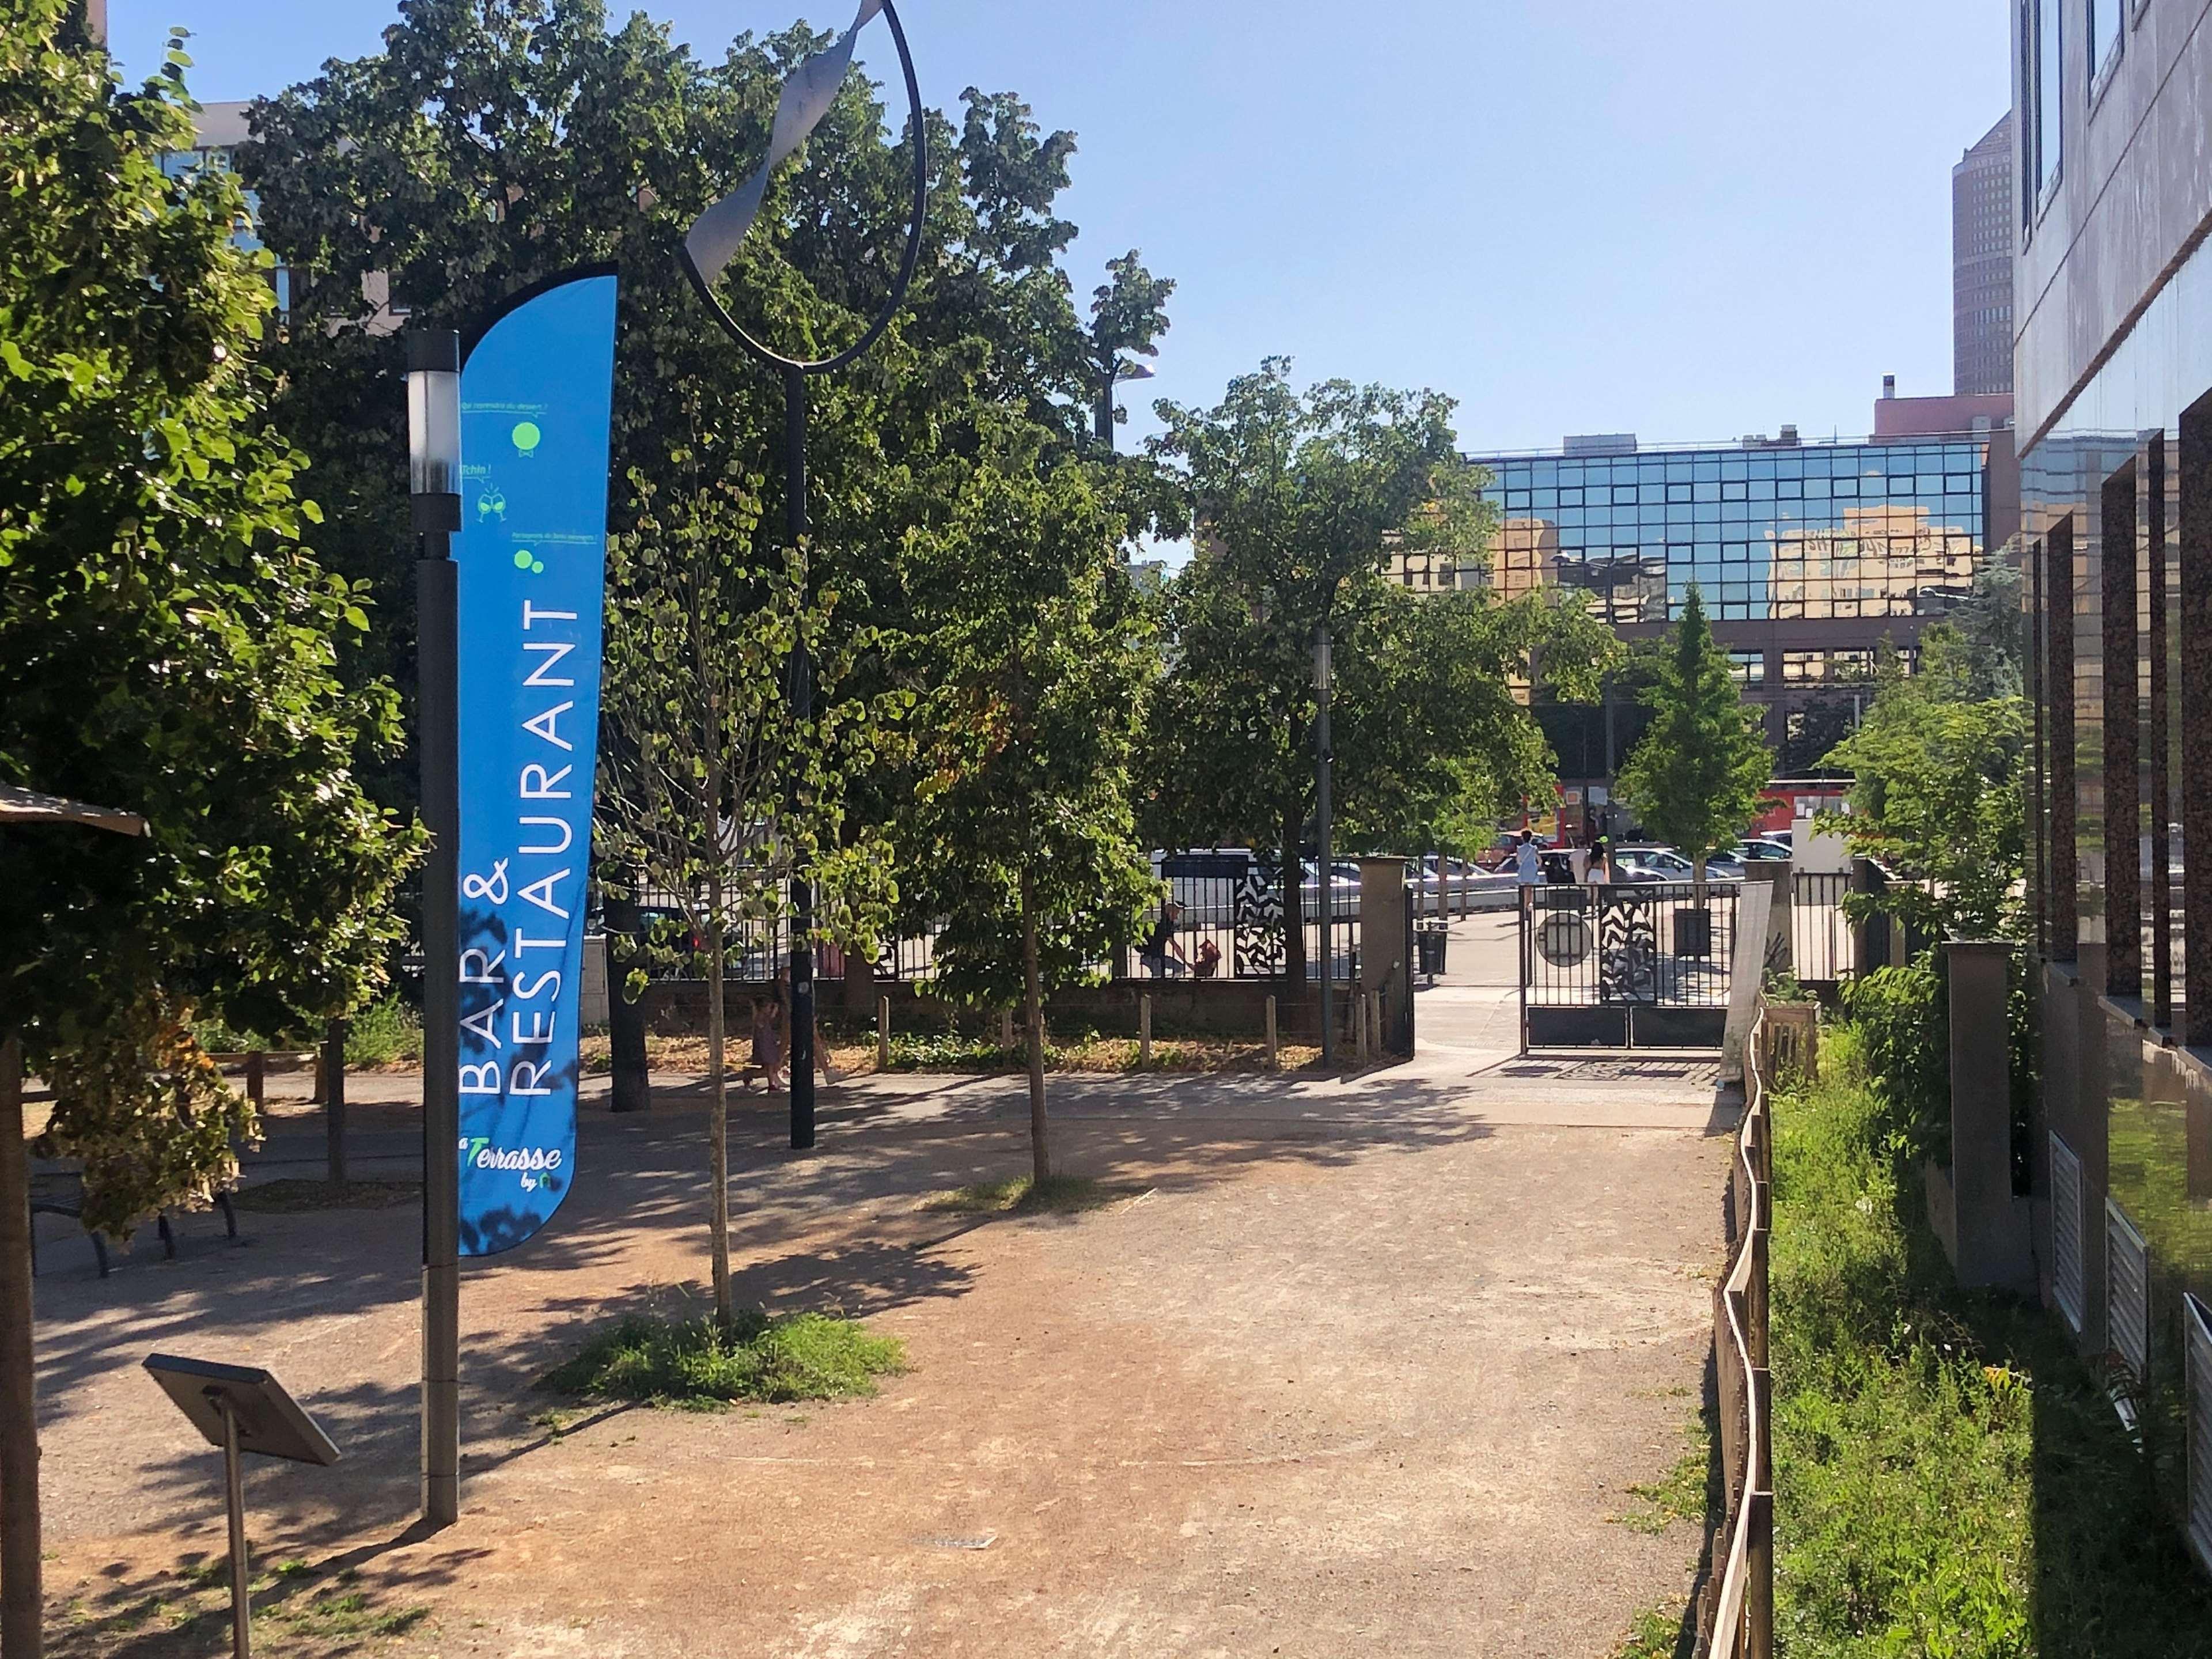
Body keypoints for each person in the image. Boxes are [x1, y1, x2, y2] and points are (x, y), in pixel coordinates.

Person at [1138, 899, 1189, 978]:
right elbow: (1175, 947)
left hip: (1155, 957)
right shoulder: (1165, 925)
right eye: (1176, 913)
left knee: (1178, 968)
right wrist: (1187, 963)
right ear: (1171, 912)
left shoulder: (1165, 923)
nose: (1176, 917)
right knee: (1159, 979)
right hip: (1154, 958)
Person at [750, 995, 786, 1092]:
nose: (769, 1010)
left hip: (769, 1043)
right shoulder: (760, 1018)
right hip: (765, 1044)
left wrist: (776, 1008)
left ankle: (771, 1083)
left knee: (770, 1065)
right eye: (769, 1007)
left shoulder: (765, 1017)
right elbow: (763, 1022)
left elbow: (771, 1017)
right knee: (768, 1064)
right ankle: (770, 1084)